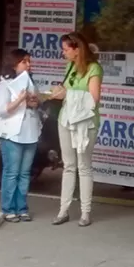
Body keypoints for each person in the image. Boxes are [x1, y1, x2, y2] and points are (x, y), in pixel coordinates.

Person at [48, 32, 102, 227]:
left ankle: (85, 212)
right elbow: (65, 89)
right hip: (66, 119)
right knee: (69, 166)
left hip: (85, 123)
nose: (63, 53)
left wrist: (68, 94)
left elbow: (93, 99)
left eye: (65, 49)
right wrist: (57, 92)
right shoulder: (69, 66)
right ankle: (63, 210)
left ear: (77, 49)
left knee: (84, 166)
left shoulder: (94, 68)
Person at [0, 49, 41, 223]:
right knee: (12, 172)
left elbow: (35, 105)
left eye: (29, 61)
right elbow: (1, 111)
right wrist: (20, 100)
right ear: (14, 64)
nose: (28, 65)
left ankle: (22, 208)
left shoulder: (30, 82)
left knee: (24, 173)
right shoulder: (4, 85)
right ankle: (8, 209)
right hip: (11, 134)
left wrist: (34, 102)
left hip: (30, 132)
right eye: (24, 62)